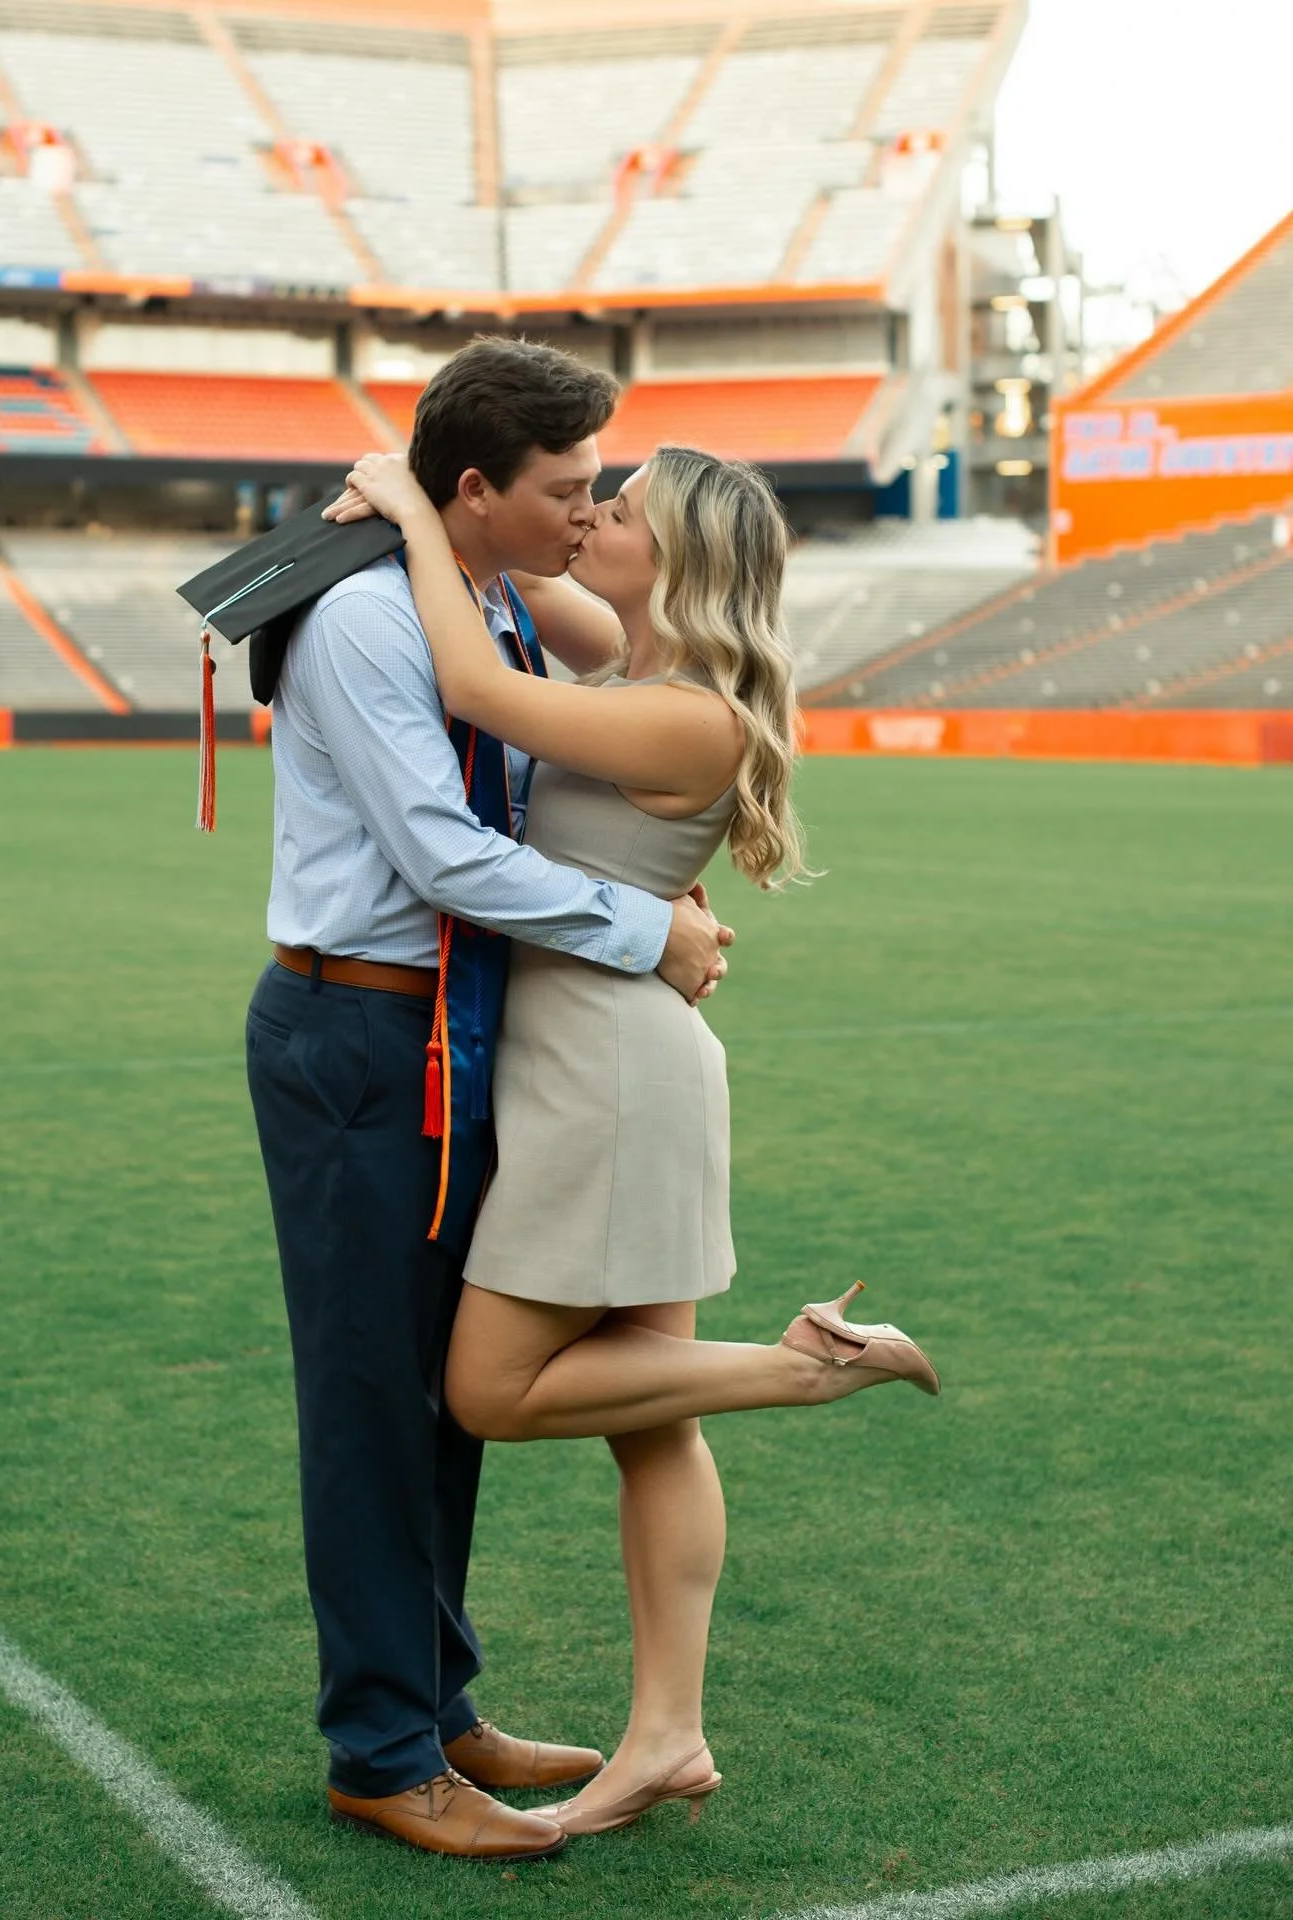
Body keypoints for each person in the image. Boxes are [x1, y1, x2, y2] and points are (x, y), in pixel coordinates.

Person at [330, 440, 941, 1840]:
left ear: (669, 562)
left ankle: (804, 1371)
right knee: (651, 1414)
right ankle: (668, 1735)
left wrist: (415, 504)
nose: (589, 522)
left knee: (487, 1387)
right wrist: (457, 504)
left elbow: (480, 685)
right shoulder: (626, 656)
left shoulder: (692, 717)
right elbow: (514, 582)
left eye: (615, 513)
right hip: (604, 1061)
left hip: (604, 1081)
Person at [242, 339, 733, 1864]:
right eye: (568, 488)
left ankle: (440, 1702)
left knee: (441, 1384)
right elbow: (444, 856)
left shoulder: (495, 595)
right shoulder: (367, 622)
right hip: (359, 1029)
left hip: (457, 1028)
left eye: (602, 492)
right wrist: (650, 931)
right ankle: (381, 1751)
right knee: (376, 1399)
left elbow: (583, 681)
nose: (587, 510)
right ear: (481, 493)